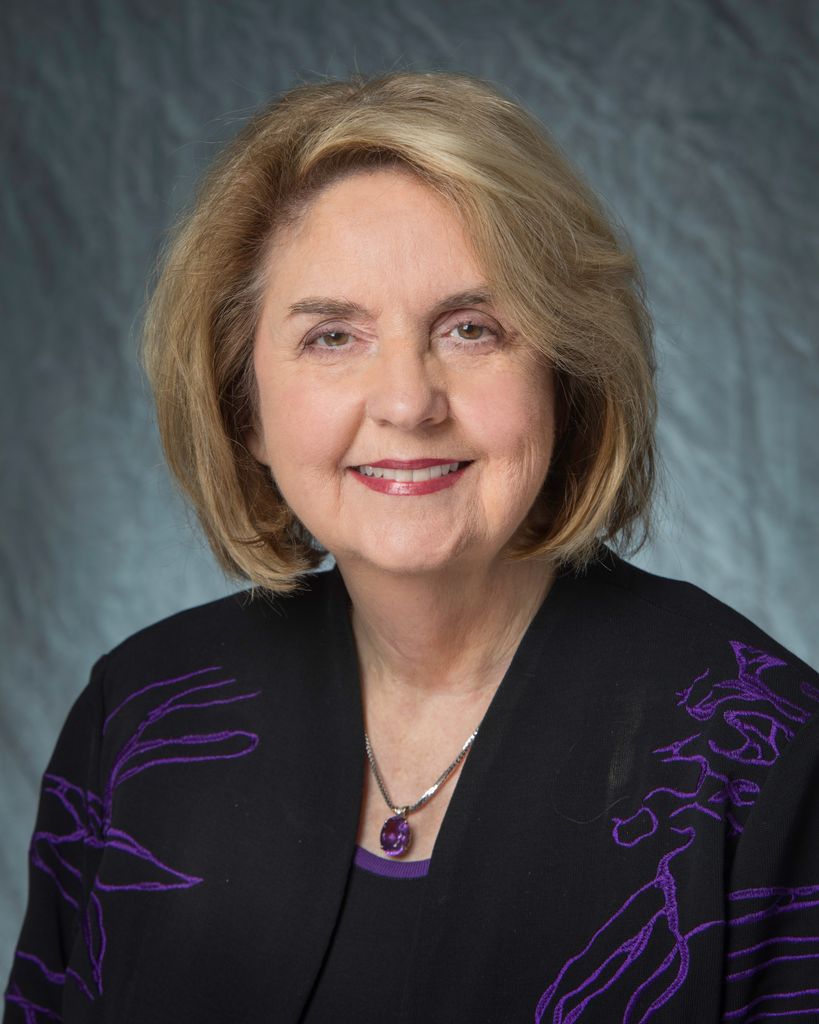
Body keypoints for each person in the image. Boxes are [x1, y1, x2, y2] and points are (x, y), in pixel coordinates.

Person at [4, 71, 818, 1024]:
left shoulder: (760, 747)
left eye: (470, 329)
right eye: (332, 336)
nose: (406, 401)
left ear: (565, 375)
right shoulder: (140, 717)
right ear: (244, 406)